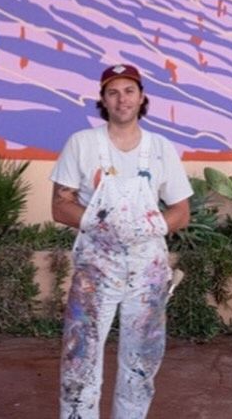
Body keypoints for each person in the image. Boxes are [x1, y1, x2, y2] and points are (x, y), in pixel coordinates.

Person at [50, 64, 192, 419]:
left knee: (140, 363)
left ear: (142, 97)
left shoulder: (161, 149)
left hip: (147, 273)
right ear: (103, 99)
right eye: (113, 92)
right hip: (95, 270)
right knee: (80, 359)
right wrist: (101, 223)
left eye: (129, 91)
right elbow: (59, 206)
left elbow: (181, 211)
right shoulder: (82, 144)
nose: (122, 99)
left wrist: (149, 226)